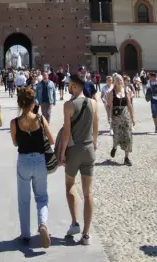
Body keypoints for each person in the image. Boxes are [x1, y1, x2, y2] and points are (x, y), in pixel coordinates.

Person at [56, 74, 97, 245]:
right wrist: (94, 144)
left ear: (75, 86)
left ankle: (75, 223)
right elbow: (96, 126)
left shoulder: (68, 105)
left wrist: (62, 152)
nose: (68, 88)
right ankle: (86, 235)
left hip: (74, 150)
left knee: (70, 184)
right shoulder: (93, 103)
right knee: (88, 193)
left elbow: (66, 133)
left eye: (70, 86)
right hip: (89, 149)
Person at [11, 86, 54, 248]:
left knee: (23, 199)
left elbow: (15, 143)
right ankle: (43, 224)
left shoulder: (14, 122)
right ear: (33, 103)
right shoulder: (40, 119)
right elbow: (51, 140)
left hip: (23, 160)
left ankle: (25, 234)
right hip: (40, 160)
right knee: (41, 197)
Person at [108, 73, 135, 166]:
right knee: (116, 136)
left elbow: (129, 105)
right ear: (115, 82)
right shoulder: (111, 92)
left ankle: (126, 158)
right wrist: (109, 117)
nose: (120, 82)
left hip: (125, 116)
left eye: (121, 80)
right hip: (116, 117)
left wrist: (132, 118)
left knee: (128, 136)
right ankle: (115, 146)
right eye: (118, 80)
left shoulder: (126, 92)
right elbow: (109, 106)